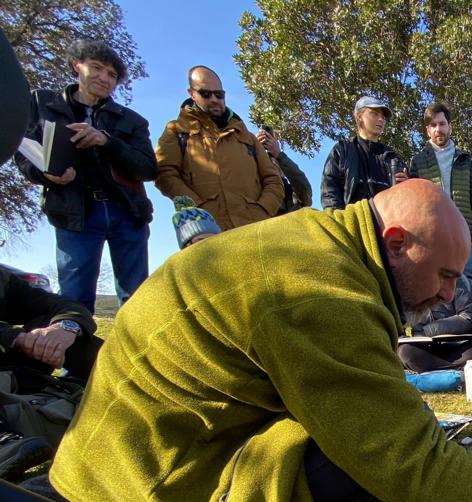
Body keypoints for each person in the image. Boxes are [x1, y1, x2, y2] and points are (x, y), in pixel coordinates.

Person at [49, 180, 472, 502]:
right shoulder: (323, 292)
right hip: (155, 480)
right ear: (396, 243)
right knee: (364, 468)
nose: (448, 295)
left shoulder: (326, 243)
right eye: (445, 275)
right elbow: (410, 465)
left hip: (147, 445)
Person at [15, 39, 156, 314]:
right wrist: (48, 176)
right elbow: (24, 154)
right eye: (97, 68)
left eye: (112, 75)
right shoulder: (44, 105)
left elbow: (148, 169)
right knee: (74, 297)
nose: (104, 78)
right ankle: (79, 354)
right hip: (74, 214)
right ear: (76, 67)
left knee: (138, 298)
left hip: (126, 212)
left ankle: (136, 355)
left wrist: (107, 141)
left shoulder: (131, 120)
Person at [0, 265, 100, 479]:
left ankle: (131, 389)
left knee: (56, 330)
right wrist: (14, 338)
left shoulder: (4, 280)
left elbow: (61, 304)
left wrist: (65, 327)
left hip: (14, 372)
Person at [155, 66, 283, 231]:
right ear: (192, 94)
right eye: (206, 94)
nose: (214, 99)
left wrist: (262, 210)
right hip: (207, 234)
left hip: (256, 230)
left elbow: (273, 180)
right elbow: (165, 175)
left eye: (219, 94)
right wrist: (199, 212)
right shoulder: (176, 131)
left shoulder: (248, 137)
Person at [408, 101, 472, 287]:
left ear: (450, 126)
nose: (438, 129)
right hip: (432, 237)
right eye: (433, 125)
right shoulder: (417, 162)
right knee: (433, 287)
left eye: (442, 124)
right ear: (427, 130)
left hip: (464, 236)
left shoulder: (465, 160)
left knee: (466, 286)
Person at [397, 276, 472, 382]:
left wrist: (427, 331)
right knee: (404, 352)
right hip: (428, 348)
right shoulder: (409, 283)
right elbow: (401, 320)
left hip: (460, 345)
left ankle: (435, 374)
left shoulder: (458, 279)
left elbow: (468, 317)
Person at [320, 95, 407, 212]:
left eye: (383, 117)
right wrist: (339, 220)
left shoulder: (392, 156)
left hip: (386, 225)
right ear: (359, 116)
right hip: (353, 223)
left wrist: (407, 184)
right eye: (374, 114)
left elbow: (406, 198)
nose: (381, 119)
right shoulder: (343, 150)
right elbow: (329, 188)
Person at [255, 126, 313, 215]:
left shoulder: (292, 194)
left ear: (281, 170)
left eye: (273, 163)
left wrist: (278, 154)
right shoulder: (254, 190)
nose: (270, 168)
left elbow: (304, 190)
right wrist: (254, 150)